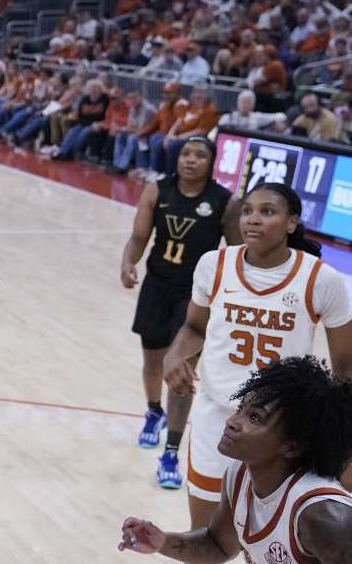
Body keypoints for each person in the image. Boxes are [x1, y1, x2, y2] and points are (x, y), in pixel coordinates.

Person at [163, 183, 352, 528]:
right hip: (217, 420)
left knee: (277, 542)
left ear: (291, 222)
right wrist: (174, 355)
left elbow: (345, 367)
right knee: (206, 538)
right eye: (248, 210)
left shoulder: (321, 280)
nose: (253, 219)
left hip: (281, 431)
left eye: (268, 212)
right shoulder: (214, 265)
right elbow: (194, 327)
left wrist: (340, 437)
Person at [118, 356, 352, 563]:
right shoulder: (240, 475)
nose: (232, 421)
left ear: (292, 446)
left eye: (254, 417)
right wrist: (162, 542)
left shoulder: (324, 518)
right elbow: (218, 545)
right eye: (241, 409)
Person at [121, 137, 240, 490]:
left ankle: (171, 451)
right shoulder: (156, 190)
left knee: (182, 371)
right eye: (186, 154)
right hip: (157, 285)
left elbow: (235, 251)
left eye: (200, 155)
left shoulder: (224, 201)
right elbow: (139, 236)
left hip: (196, 296)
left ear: (211, 162)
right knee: (154, 361)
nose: (191, 160)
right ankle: (153, 411)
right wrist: (129, 262)